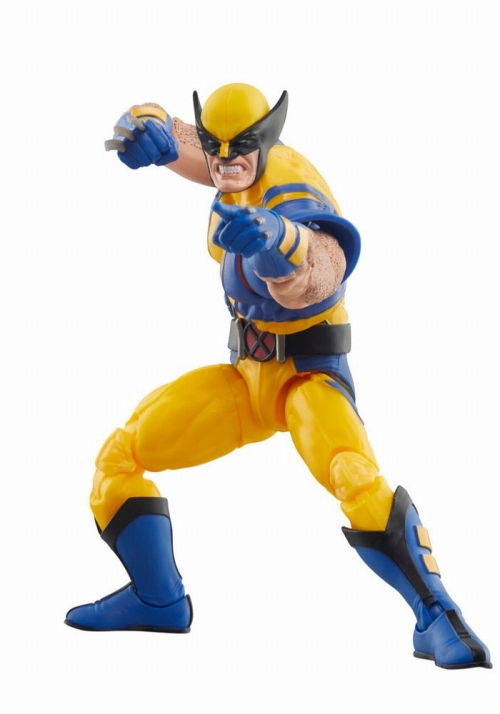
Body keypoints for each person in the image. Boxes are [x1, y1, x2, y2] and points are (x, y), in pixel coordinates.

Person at [65, 84, 491, 669]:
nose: (225, 159)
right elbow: (189, 140)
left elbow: (328, 264)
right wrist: (146, 124)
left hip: (308, 378)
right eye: (216, 146)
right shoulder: (229, 160)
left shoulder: (290, 181)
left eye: (240, 146)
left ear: (267, 140)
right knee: (119, 457)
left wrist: (283, 245)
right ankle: (157, 599)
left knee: (353, 475)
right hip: (245, 379)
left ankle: (438, 614)